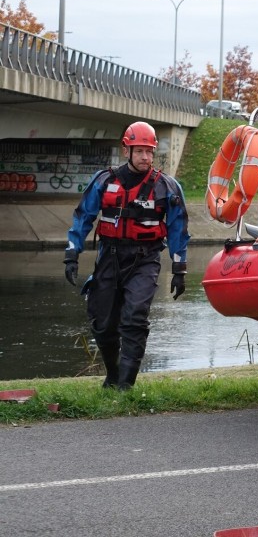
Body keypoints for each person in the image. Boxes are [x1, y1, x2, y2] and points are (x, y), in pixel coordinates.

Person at [63, 121, 190, 390]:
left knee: (134, 317)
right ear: (126, 151)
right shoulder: (104, 181)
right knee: (102, 321)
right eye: (140, 151)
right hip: (109, 257)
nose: (146, 157)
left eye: (150, 151)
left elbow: (179, 229)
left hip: (145, 259)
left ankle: (126, 386)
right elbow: (83, 217)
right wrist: (72, 254)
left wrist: (180, 270)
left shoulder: (166, 187)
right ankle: (113, 375)